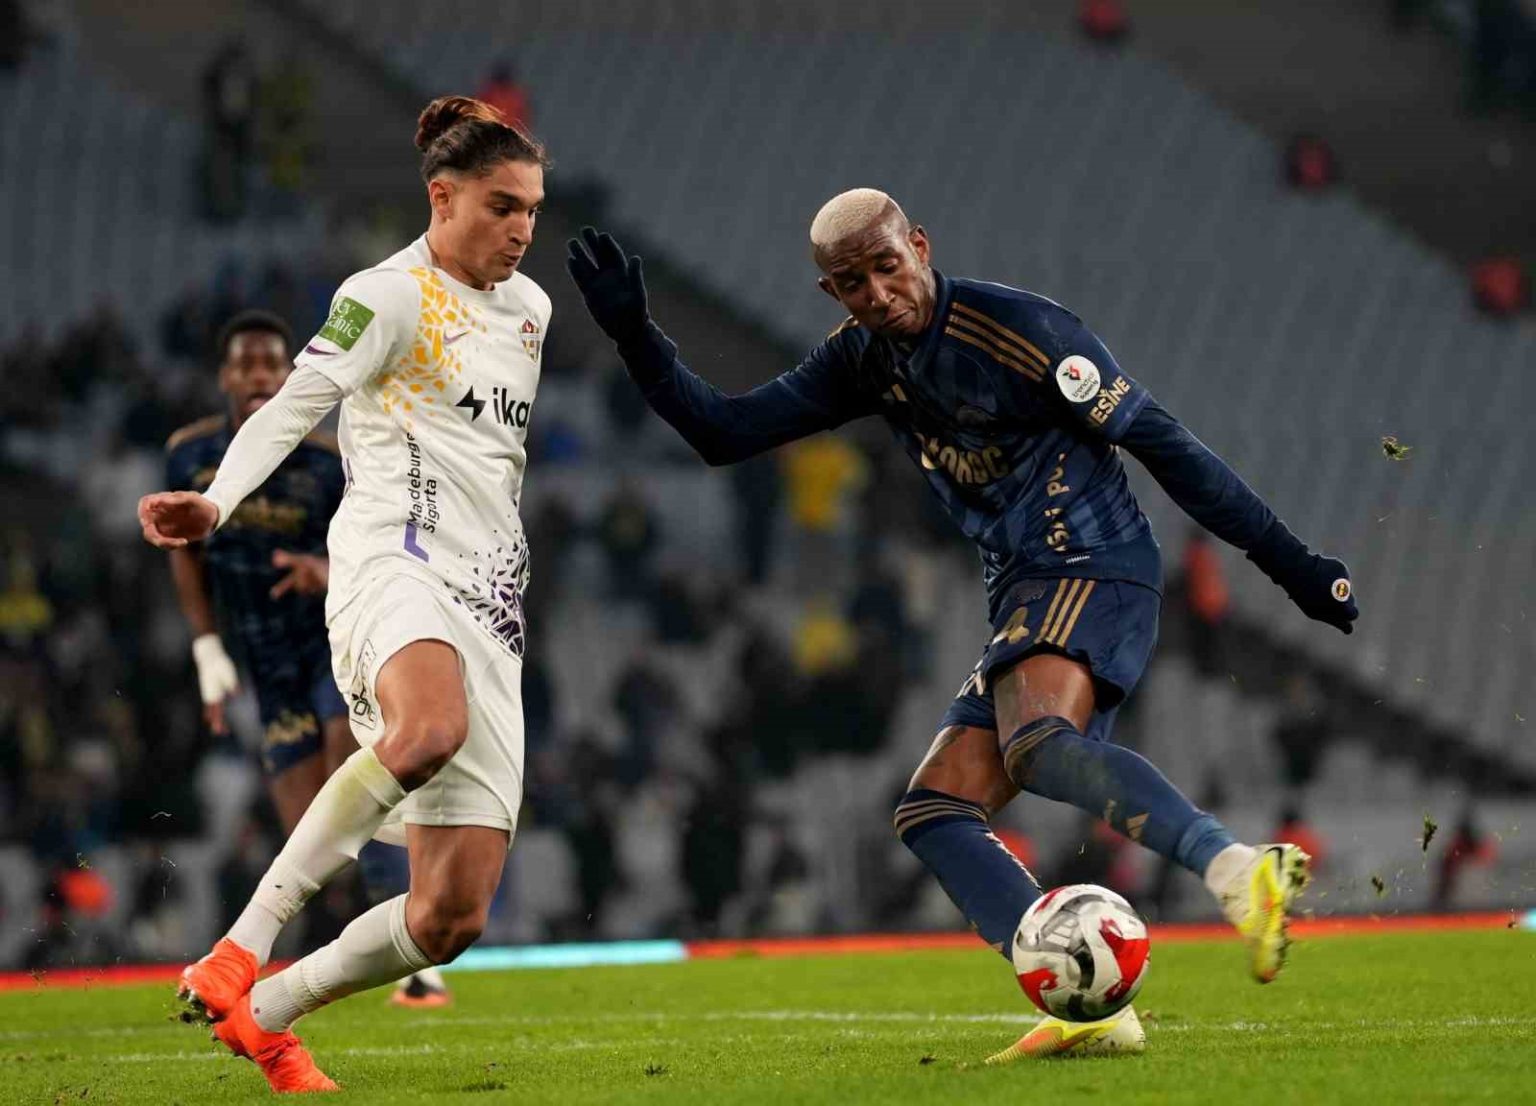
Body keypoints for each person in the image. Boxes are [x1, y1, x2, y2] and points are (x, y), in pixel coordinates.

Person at [566, 190, 1358, 1059]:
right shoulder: (860, 359)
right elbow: (725, 432)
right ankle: (1090, 1010)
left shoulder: (1023, 332)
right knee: (935, 809)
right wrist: (636, 338)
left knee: (1036, 746)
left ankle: (1237, 870)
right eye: (852, 283)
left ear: (919, 245)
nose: (877, 293)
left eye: (887, 266)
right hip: (1021, 585)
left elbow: (1167, 447)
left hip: (1091, 558)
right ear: (831, 292)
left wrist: (1292, 564)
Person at [138, 95, 550, 1092]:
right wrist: (220, 500)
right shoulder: (386, 295)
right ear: (441, 198)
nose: (522, 229)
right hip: (391, 562)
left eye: (533, 209)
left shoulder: (531, 310)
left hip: (491, 601)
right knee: (428, 728)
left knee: (449, 917)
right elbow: (299, 401)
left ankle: (268, 1014)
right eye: (502, 207)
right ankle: (241, 944)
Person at [163, 309, 450, 1010]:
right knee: (312, 829)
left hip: (336, 643)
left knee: (358, 783)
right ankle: (358, 943)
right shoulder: (190, 457)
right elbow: (186, 554)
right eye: (246, 363)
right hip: (267, 659)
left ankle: (420, 956)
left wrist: (322, 571)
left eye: (272, 363)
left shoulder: (327, 460)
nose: (260, 376)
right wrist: (206, 646)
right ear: (225, 376)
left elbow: (377, 534)